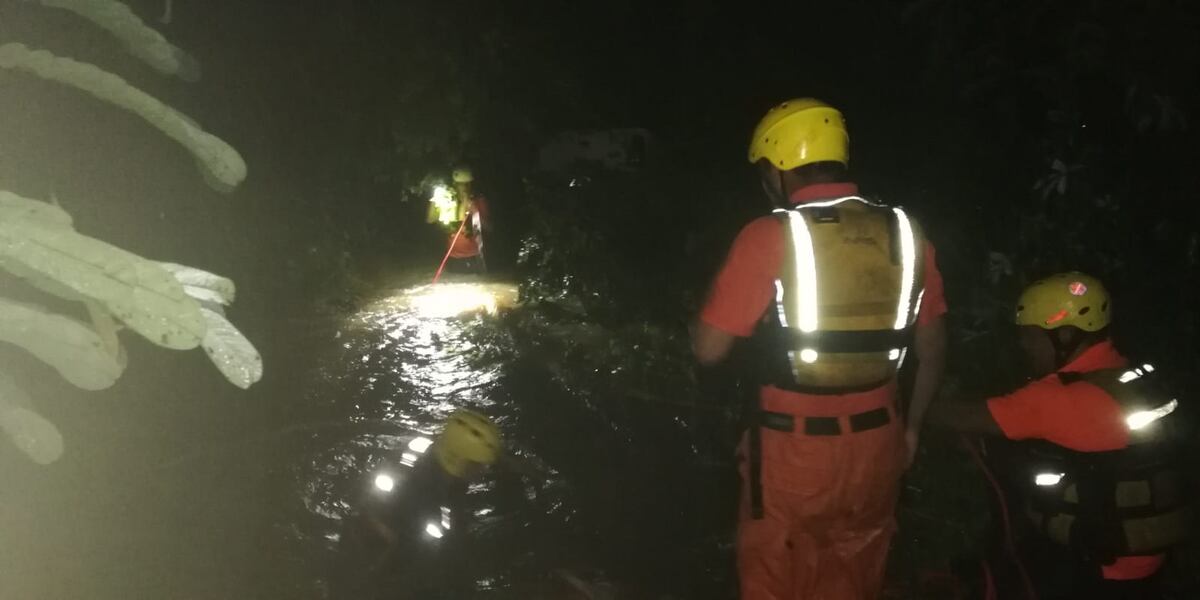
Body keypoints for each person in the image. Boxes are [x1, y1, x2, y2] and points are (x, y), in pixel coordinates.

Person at [692, 98, 948, 599]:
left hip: (794, 453)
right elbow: (934, 347)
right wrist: (912, 430)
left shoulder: (769, 235)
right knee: (853, 581)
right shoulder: (907, 233)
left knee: (775, 579)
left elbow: (708, 349)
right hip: (878, 447)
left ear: (778, 166)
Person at [929, 272, 1191, 599]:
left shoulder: (1063, 398)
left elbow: (961, 417)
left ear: (1065, 335)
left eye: (1031, 335)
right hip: (1148, 554)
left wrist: (911, 399)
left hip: (1096, 567)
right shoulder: (1131, 377)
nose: (1024, 345)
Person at [333, 410, 502, 599]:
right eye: (479, 465)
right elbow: (407, 561)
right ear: (459, 461)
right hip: (380, 568)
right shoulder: (425, 503)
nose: (484, 471)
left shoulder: (431, 455)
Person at [427, 167, 489, 274]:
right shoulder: (447, 201)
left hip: (475, 257)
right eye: (461, 184)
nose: (465, 187)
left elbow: (489, 227)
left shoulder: (479, 200)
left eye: (467, 184)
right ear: (455, 184)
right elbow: (430, 219)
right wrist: (435, 200)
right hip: (453, 259)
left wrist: (474, 212)